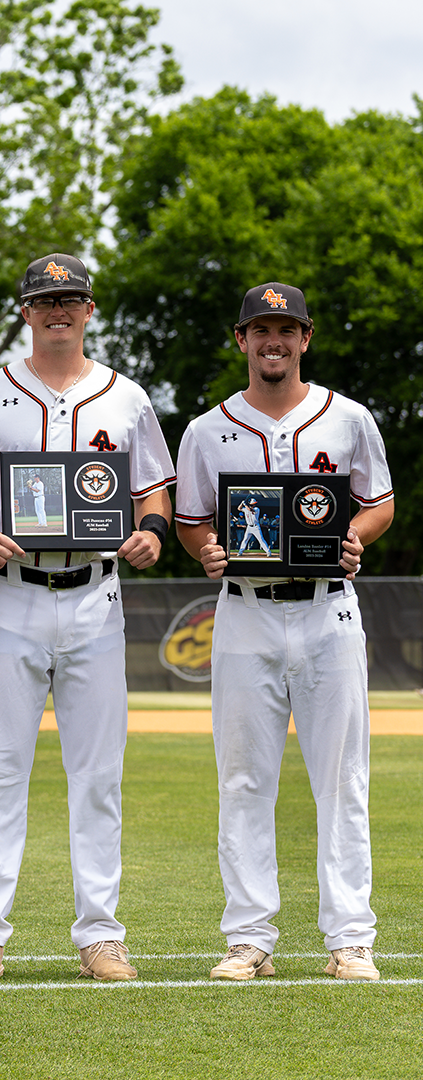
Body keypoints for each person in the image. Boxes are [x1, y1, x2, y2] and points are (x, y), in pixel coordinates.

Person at [0, 254, 173, 983]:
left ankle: (101, 933)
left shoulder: (126, 395)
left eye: (70, 299)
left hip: (95, 593)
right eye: (46, 300)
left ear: (89, 309)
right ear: (26, 312)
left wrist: (153, 533)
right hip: (9, 591)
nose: (58, 311)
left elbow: (153, 494)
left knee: (97, 773)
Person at [174, 282, 393, 982]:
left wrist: (355, 536)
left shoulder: (348, 417)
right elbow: (190, 520)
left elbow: (378, 504)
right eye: (260, 329)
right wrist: (205, 547)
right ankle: (248, 938)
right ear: (240, 339)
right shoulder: (209, 429)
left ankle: (350, 938)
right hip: (245, 609)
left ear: (306, 338)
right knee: (243, 779)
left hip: (329, 608)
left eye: (286, 329)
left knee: (342, 779)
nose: (274, 341)